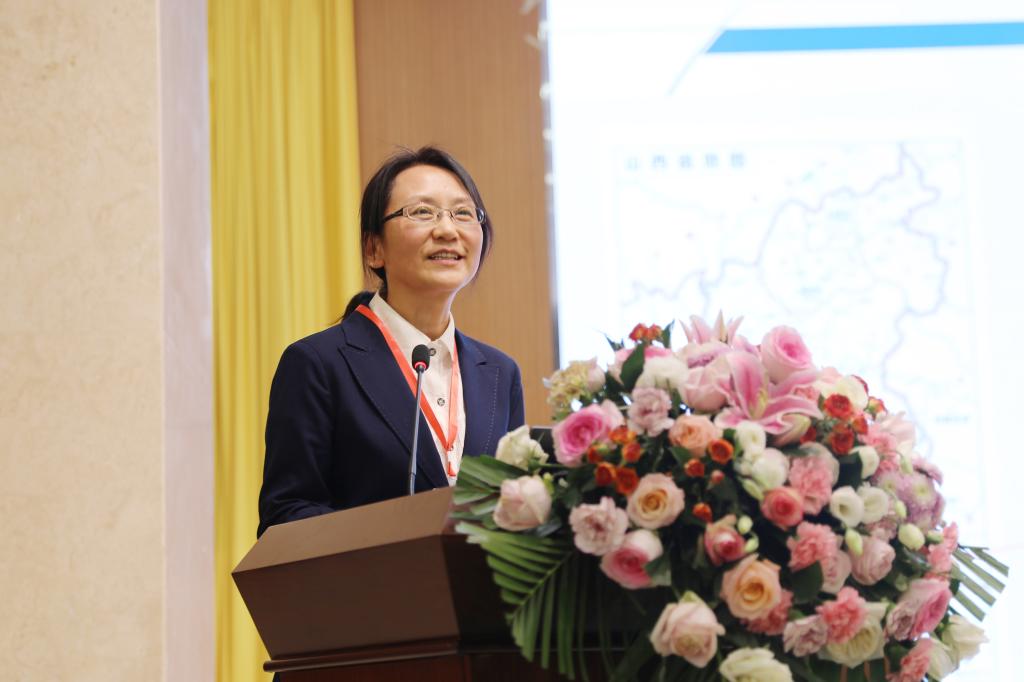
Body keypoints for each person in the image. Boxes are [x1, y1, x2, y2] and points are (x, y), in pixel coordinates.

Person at [257, 147, 525, 537]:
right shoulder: (318, 364)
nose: (447, 230)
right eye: (422, 212)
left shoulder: (500, 372)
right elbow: (287, 515)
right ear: (374, 249)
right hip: (371, 578)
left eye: (463, 213)